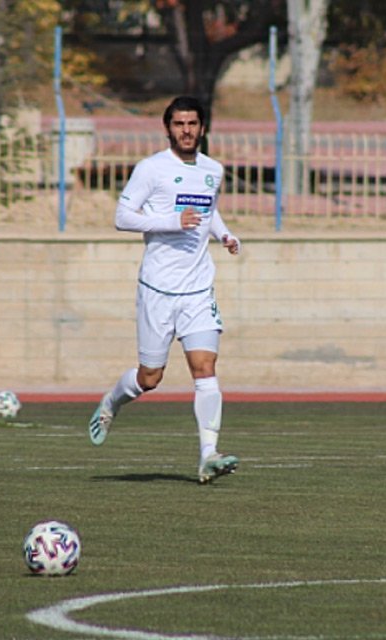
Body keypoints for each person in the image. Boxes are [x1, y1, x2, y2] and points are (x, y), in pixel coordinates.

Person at [86, 95, 242, 485]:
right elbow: (122, 217)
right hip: (158, 288)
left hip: (198, 287)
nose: (186, 130)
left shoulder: (212, 170)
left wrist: (224, 234)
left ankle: (209, 454)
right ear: (168, 128)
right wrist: (174, 221)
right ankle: (111, 402)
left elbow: (209, 209)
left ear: (202, 127)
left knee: (204, 367)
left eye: (192, 123)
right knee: (150, 377)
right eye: (178, 124)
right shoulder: (151, 169)